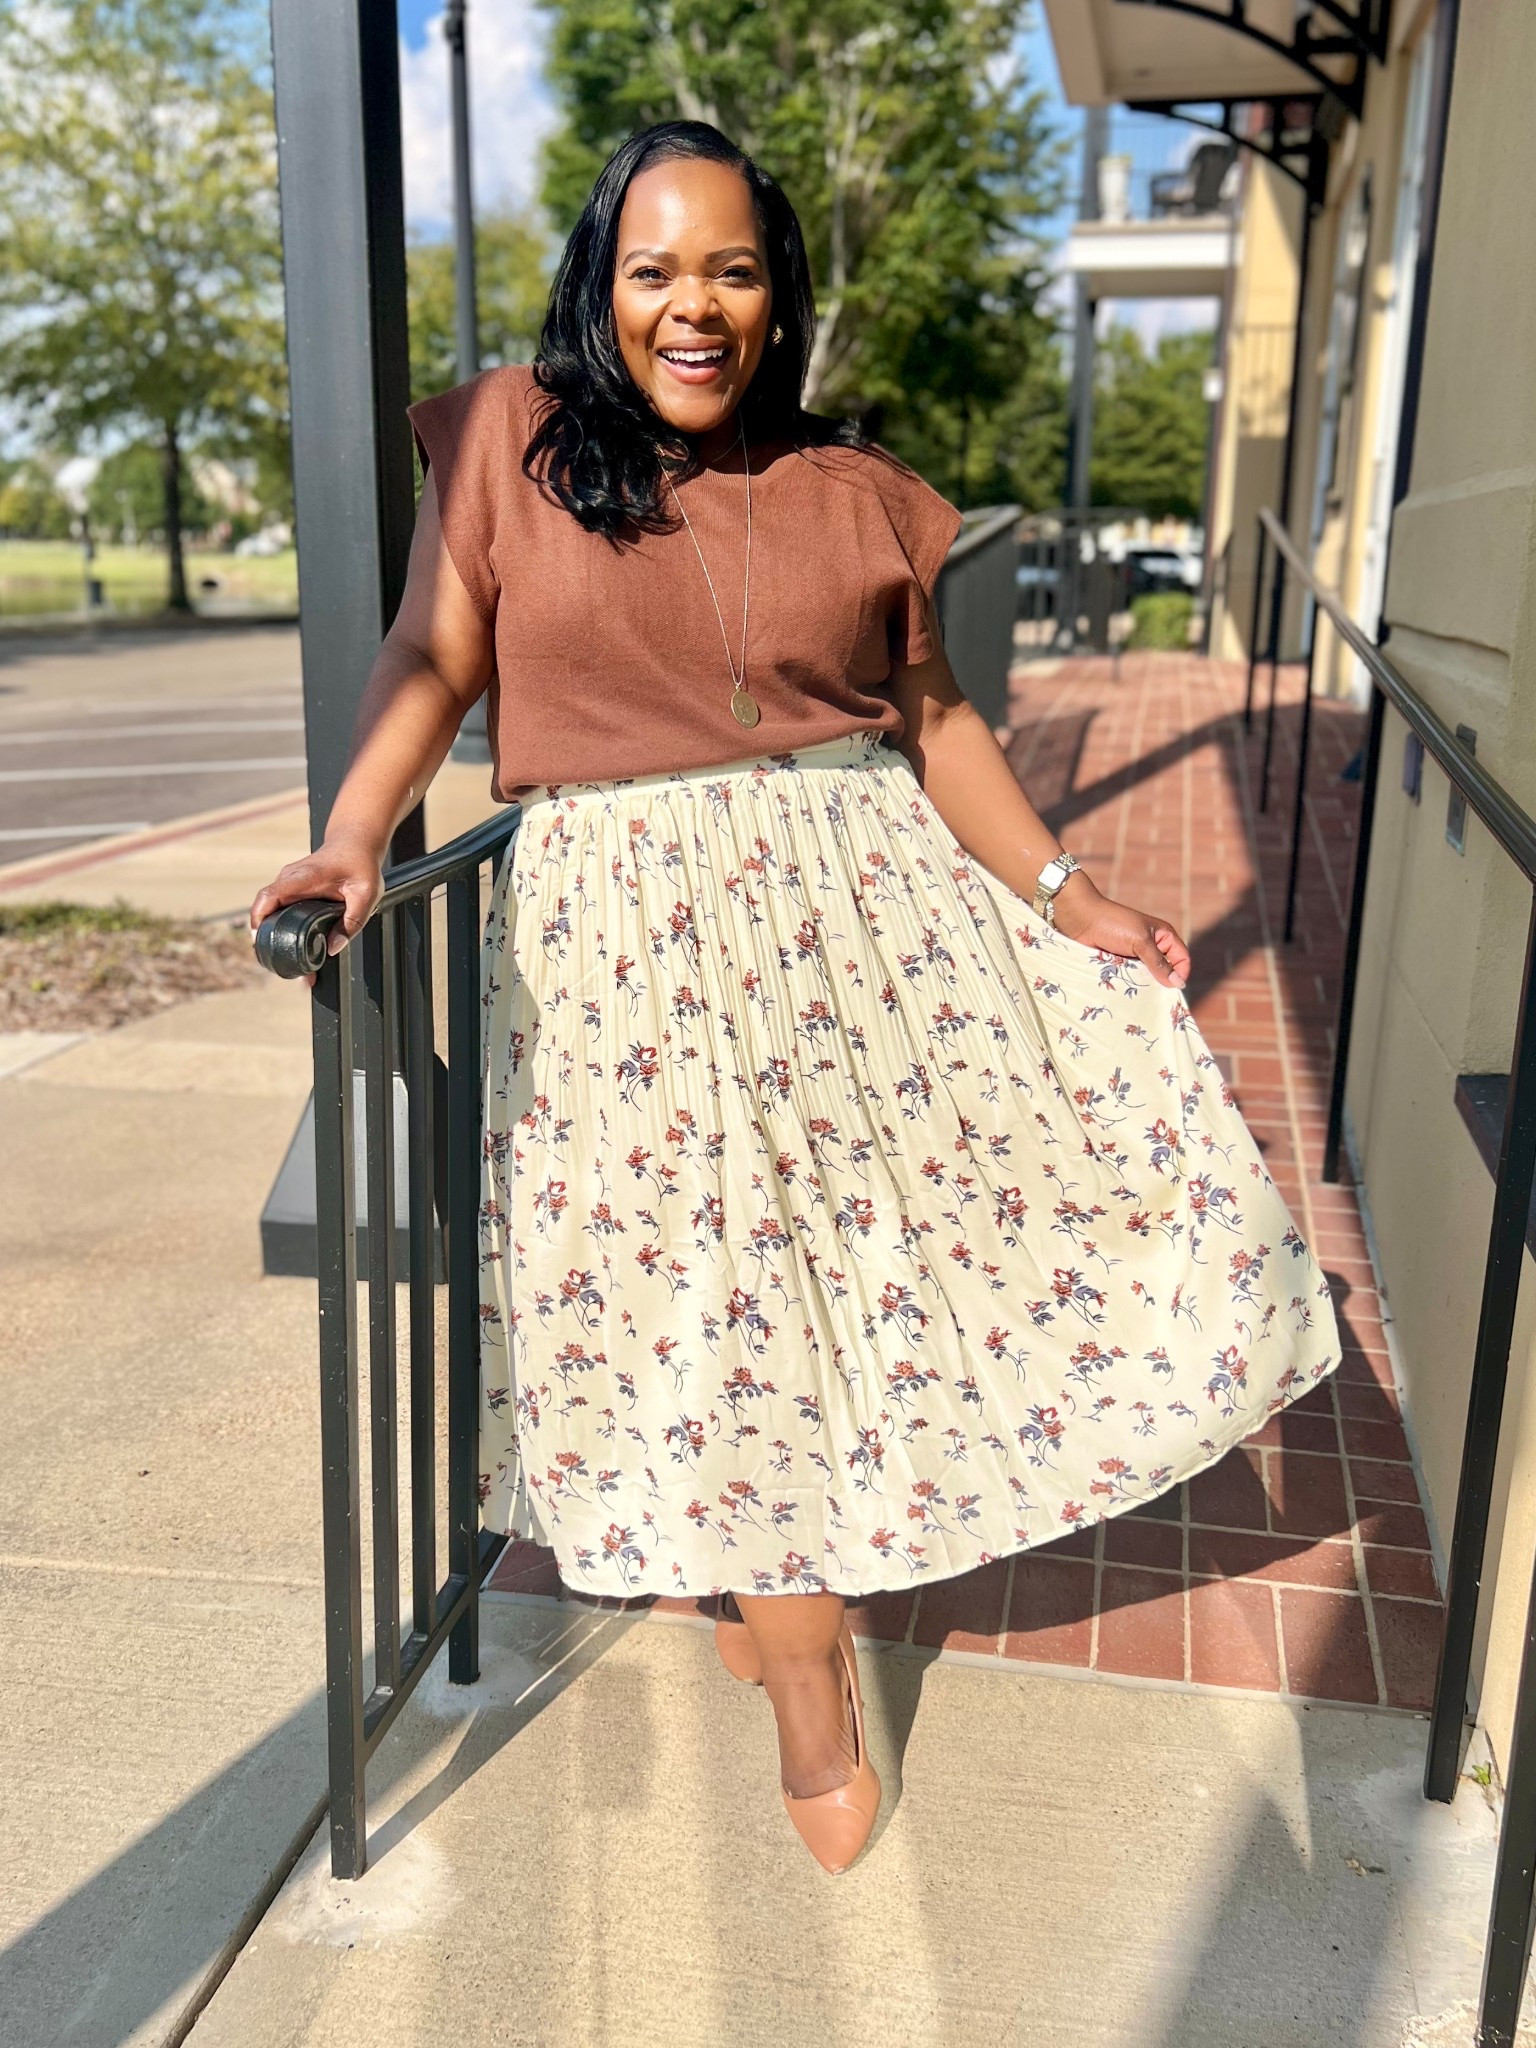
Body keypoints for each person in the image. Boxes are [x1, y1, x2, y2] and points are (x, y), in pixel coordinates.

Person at [251, 120, 1340, 1876]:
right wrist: (354, 839)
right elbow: (434, 654)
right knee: (709, 1289)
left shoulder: (857, 490)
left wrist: (1071, 896)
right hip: (624, 963)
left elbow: (943, 723)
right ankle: (808, 1659)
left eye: (734, 271)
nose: (697, 307)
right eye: (657, 270)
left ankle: (800, 1643)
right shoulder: (512, 442)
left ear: (779, 296)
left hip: (864, 949)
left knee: (845, 1283)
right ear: (603, 288)